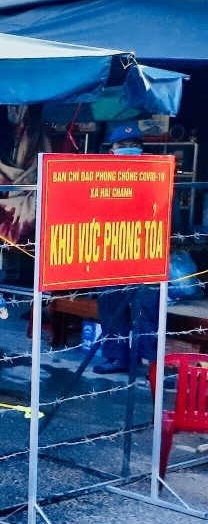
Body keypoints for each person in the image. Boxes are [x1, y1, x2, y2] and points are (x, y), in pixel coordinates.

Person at [94, 123, 159, 374]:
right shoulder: (100, 175)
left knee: (147, 310)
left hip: (145, 252)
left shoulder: (155, 174)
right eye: (123, 145)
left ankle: (150, 363)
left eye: (134, 145)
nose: (129, 149)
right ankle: (116, 357)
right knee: (112, 306)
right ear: (111, 149)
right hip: (111, 250)